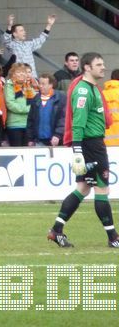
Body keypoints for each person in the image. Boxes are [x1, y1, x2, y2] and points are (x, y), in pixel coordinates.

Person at [48, 52, 119, 248]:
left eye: (103, 64)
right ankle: (113, 238)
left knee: (83, 188)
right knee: (102, 188)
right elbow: (77, 123)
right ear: (87, 67)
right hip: (91, 145)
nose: (103, 67)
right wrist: (78, 150)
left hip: (92, 144)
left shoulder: (93, 88)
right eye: (99, 64)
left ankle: (56, 230)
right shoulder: (83, 91)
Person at [27, 73, 65, 146]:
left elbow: (63, 118)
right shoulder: (36, 98)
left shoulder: (61, 98)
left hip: (56, 141)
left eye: (43, 84)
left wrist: (58, 134)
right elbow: (30, 120)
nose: (40, 86)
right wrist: (30, 139)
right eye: (40, 83)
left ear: (51, 85)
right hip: (39, 141)